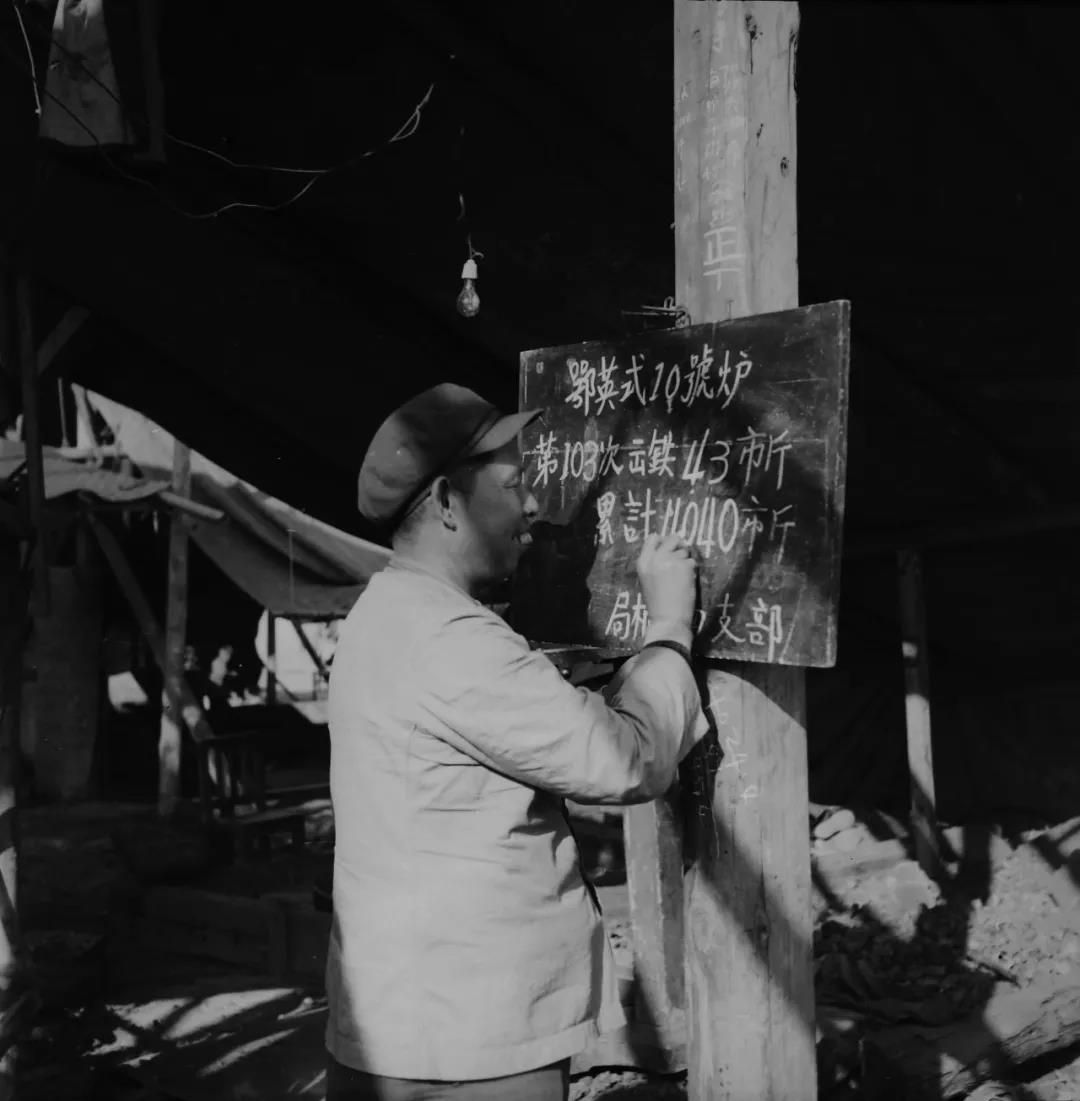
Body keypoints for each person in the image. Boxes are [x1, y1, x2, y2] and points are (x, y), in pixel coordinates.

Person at [325, 383, 709, 1101]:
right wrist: (670, 631)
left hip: (396, 1019)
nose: (534, 505)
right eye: (515, 483)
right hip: (473, 1043)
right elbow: (626, 760)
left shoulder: (383, 614)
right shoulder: (452, 640)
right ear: (446, 501)